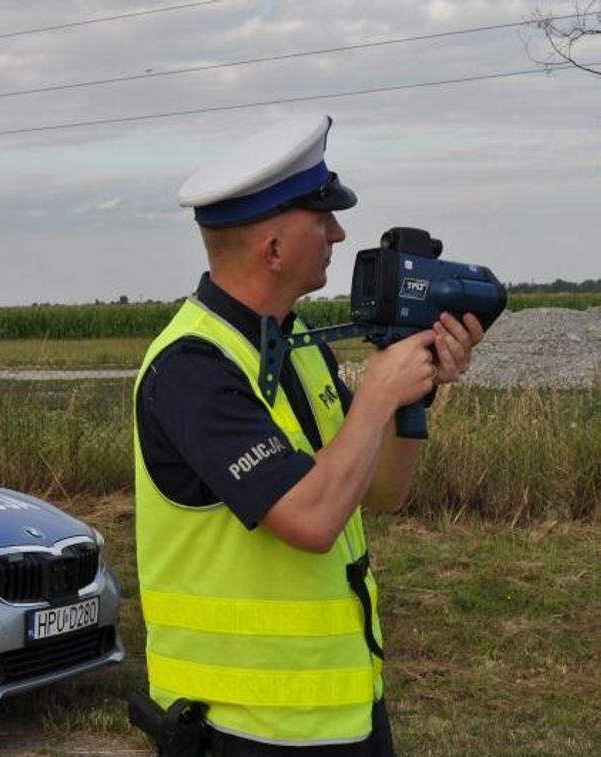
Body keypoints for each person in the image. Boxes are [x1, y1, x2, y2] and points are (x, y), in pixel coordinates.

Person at [133, 115, 483, 755]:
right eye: (323, 219)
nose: (339, 233)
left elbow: (379, 492)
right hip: (245, 727)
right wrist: (377, 392)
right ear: (273, 248)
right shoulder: (192, 368)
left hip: (342, 708)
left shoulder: (294, 346)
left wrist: (416, 389)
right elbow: (313, 520)